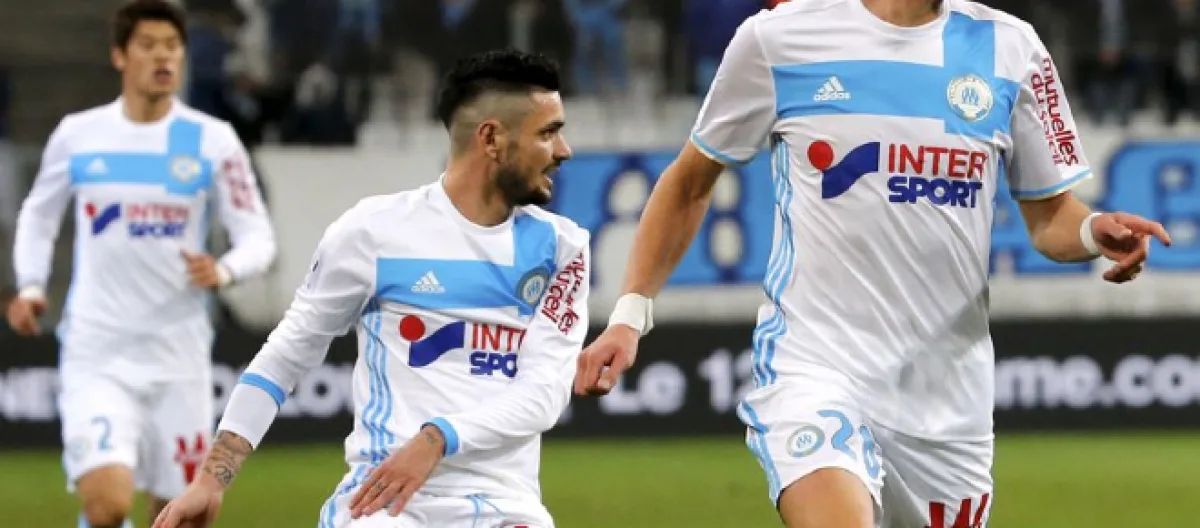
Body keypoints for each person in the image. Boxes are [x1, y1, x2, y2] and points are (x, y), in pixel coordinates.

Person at [573, 0, 1172, 527]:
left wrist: (1092, 230)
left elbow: (1050, 215)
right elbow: (689, 183)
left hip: (946, 404)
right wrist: (629, 316)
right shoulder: (781, 37)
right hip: (815, 368)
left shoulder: (1011, 48)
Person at [153, 48, 588, 528]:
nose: (563, 150)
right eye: (548, 133)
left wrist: (437, 438)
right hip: (382, 503)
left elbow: (545, 392)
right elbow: (287, 355)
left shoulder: (562, 249)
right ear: (491, 138)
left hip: (505, 506)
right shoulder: (374, 232)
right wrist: (210, 481)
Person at [6, 1, 277, 527]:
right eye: (148, 46)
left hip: (179, 358)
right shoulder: (79, 134)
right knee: (106, 506)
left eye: (172, 46)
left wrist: (224, 270)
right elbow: (38, 215)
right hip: (98, 352)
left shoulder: (211, 140)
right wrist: (32, 286)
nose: (162, 57)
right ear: (119, 56)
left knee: (181, 517)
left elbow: (258, 237)